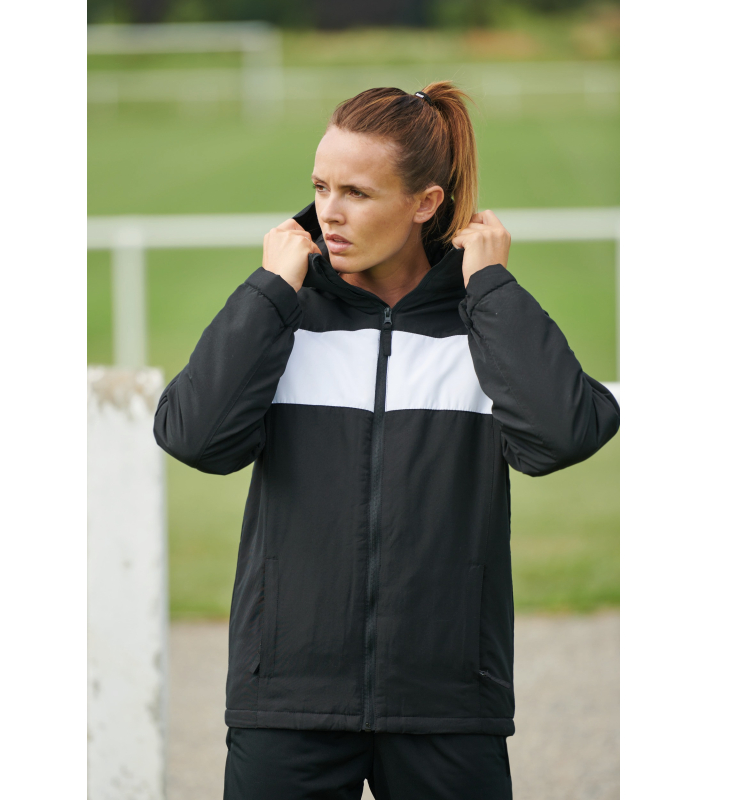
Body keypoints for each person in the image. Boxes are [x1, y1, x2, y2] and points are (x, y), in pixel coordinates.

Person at [153, 82, 620, 799]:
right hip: (288, 702)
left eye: (357, 193)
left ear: (425, 203)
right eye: (320, 187)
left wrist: (492, 286)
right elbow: (194, 436)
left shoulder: (481, 323)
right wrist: (270, 290)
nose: (329, 212)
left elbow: (563, 434)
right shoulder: (284, 315)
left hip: (447, 703)